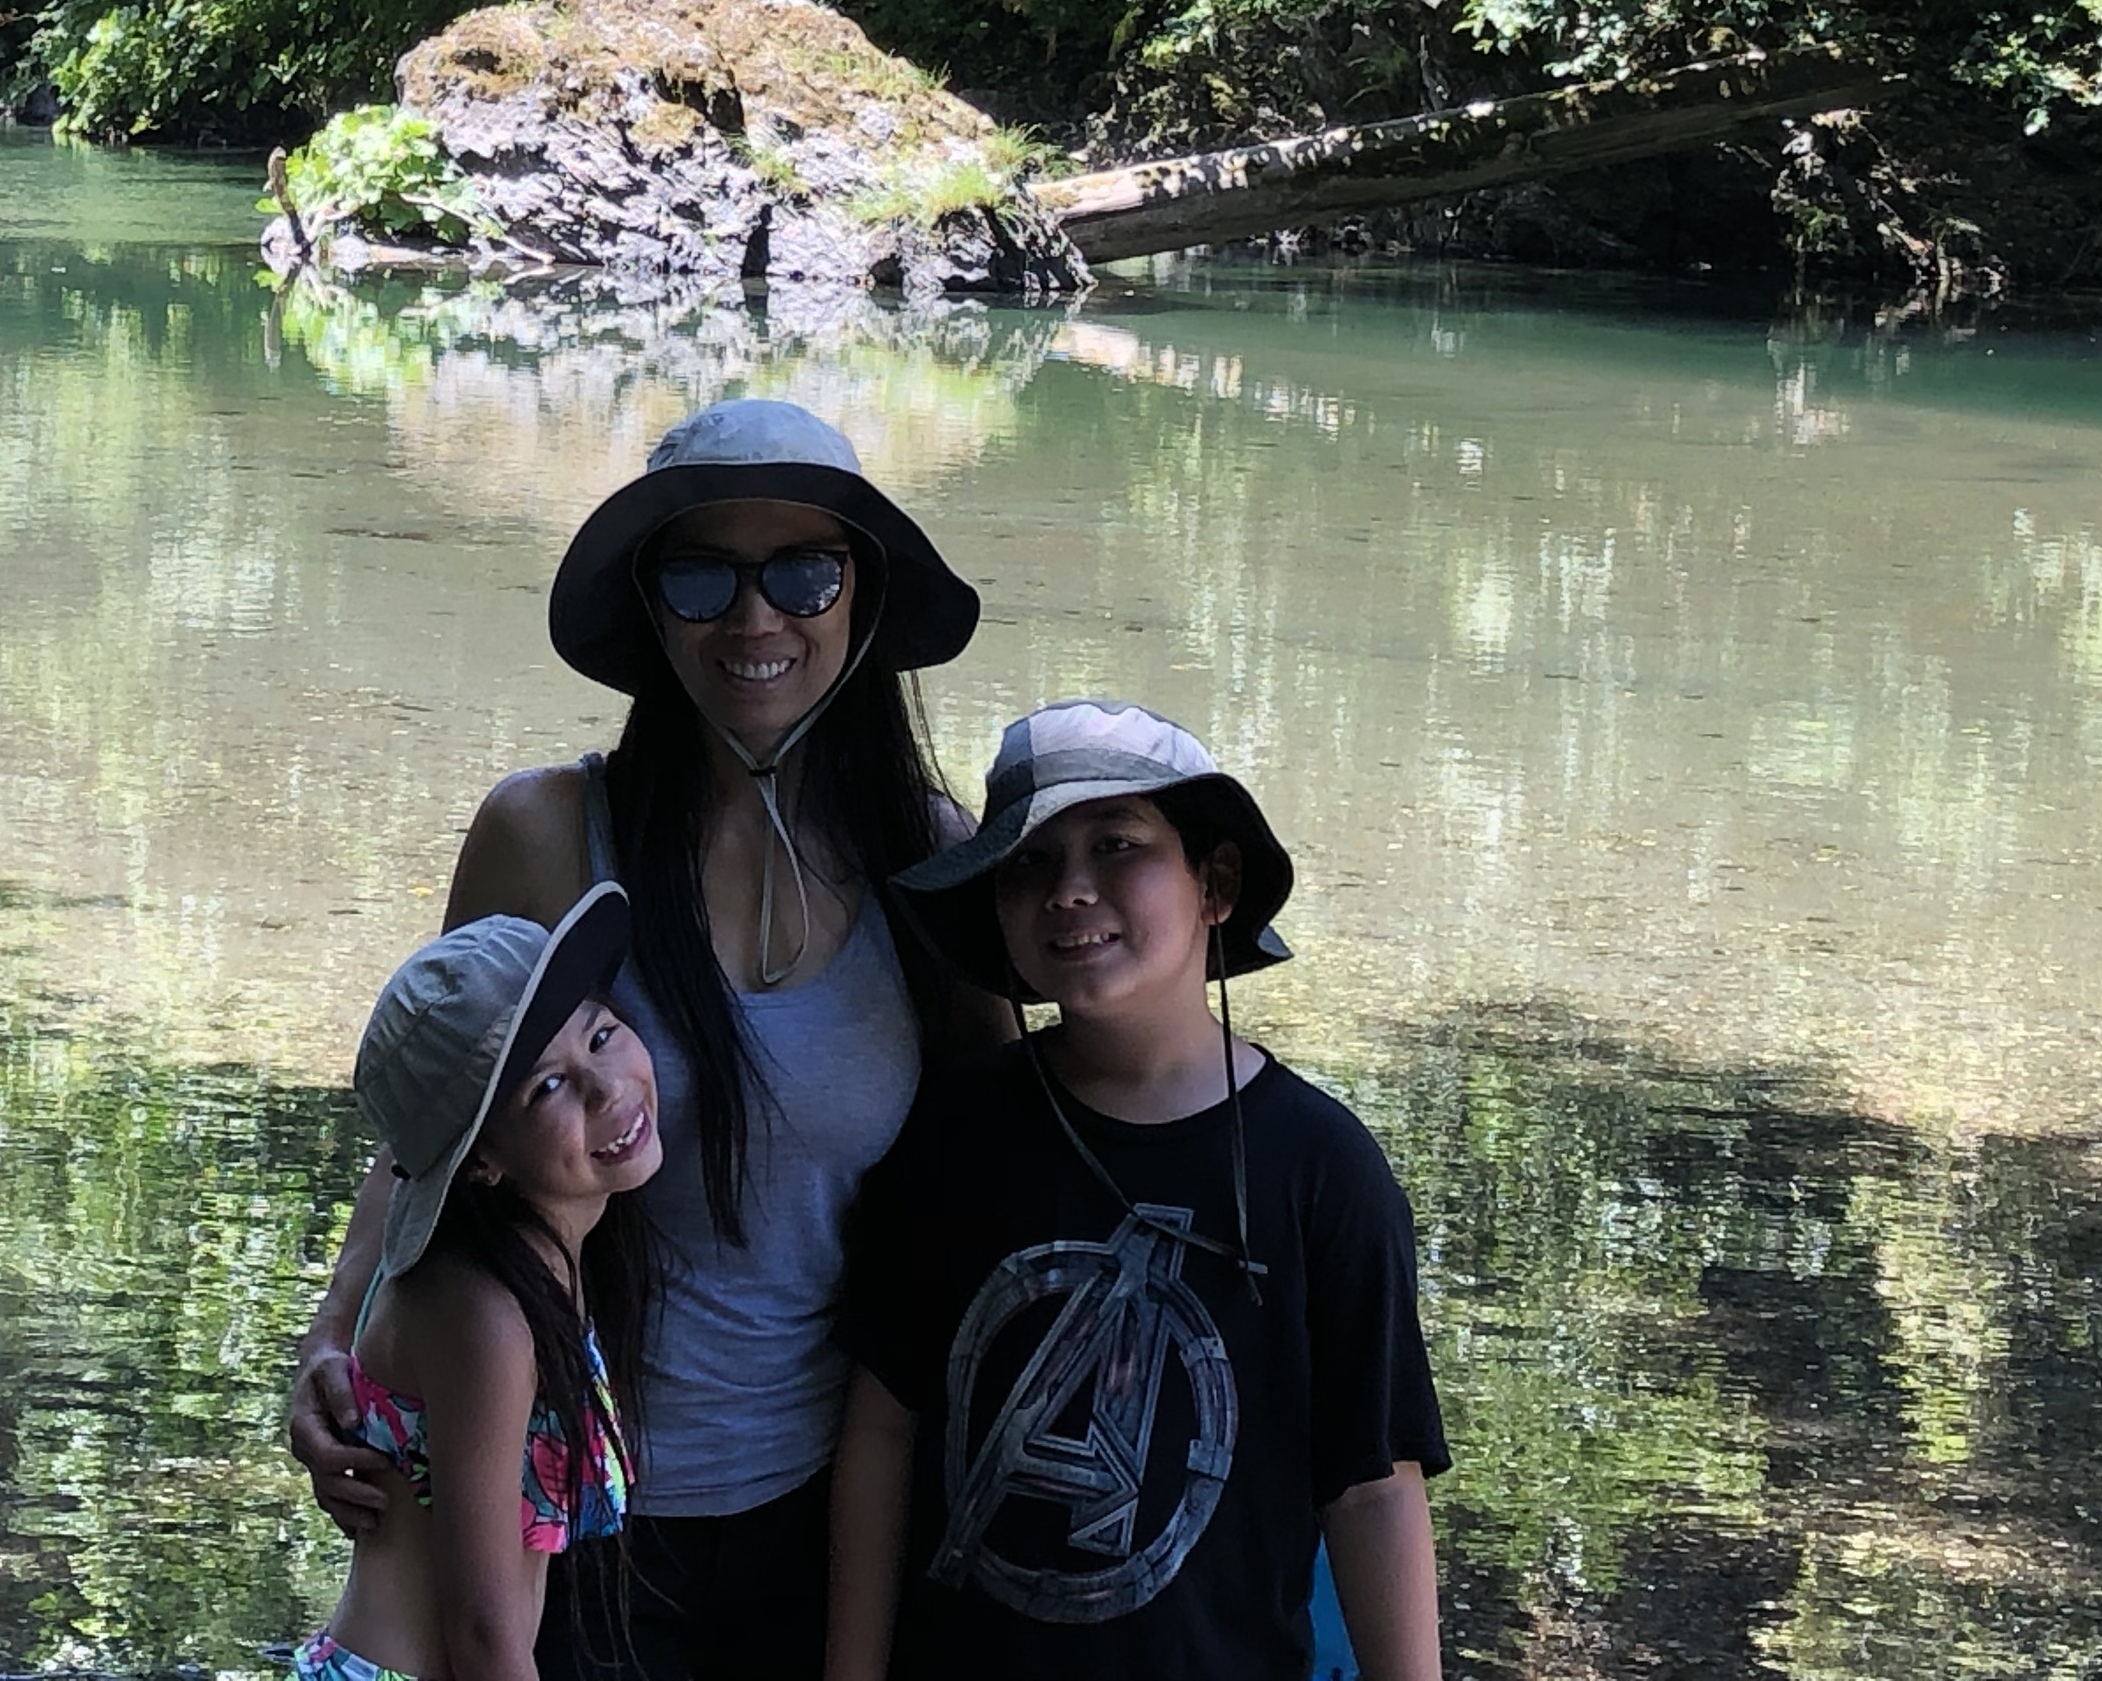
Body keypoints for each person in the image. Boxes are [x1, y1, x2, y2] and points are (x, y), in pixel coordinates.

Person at [289, 400, 1011, 1681]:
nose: (754, 620)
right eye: (701, 575)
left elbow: (1008, 1172)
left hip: (828, 1509)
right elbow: (438, 1127)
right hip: (568, 1508)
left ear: (863, 596)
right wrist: (335, 1339)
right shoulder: (551, 832)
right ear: (649, 604)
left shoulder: (931, 856)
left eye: (804, 572)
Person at [822, 701, 1447, 1681]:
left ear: (1217, 883)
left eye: (1118, 845)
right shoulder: (953, 1132)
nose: (1070, 889)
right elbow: (882, 1428)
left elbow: (1371, 1487)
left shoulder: (1323, 1171)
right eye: (1030, 861)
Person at [298, 884, 663, 1681]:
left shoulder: (540, 1261)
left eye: (601, 1035)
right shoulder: (487, 1316)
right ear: (482, 1161)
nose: (606, 1088)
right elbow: (484, 1634)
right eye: (548, 1087)